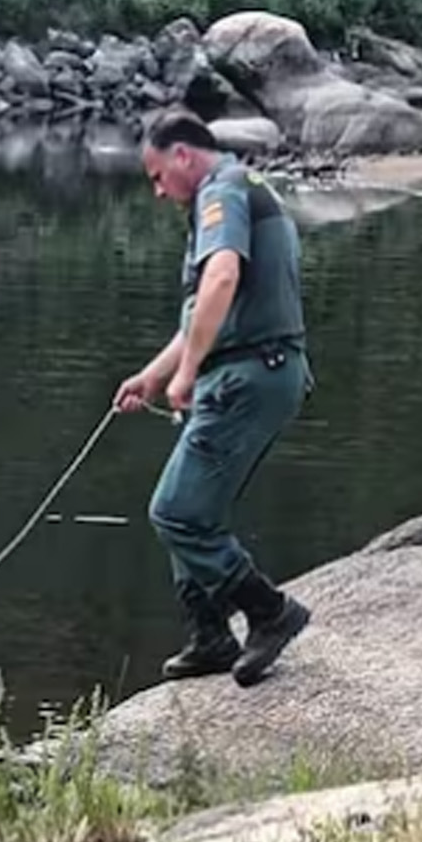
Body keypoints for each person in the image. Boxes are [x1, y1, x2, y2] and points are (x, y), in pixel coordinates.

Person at [112, 111, 314, 688]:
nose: (158, 191)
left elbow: (221, 279)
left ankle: (270, 613)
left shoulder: (220, 192)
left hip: (248, 376)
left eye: (157, 176)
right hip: (257, 372)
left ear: (183, 155)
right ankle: (209, 635)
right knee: (194, 508)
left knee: (175, 512)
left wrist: (187, 374)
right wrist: (154, 376)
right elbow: (206, 309)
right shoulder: (242, 186)